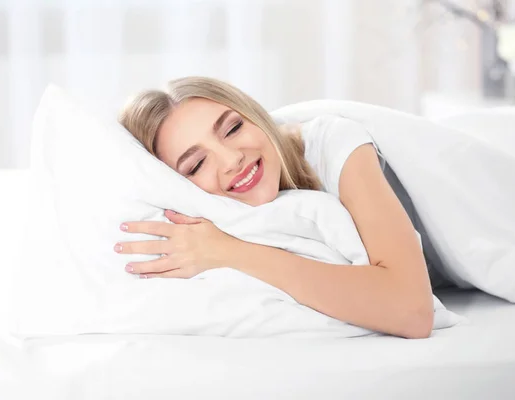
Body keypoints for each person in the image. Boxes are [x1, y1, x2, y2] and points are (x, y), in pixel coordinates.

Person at [116, 76, 437, 339]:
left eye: (232, 128)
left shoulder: (334, 144)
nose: (232, 160)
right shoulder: (216, 213)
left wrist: (230, 252)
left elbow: (412, 311)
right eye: (197, 163)